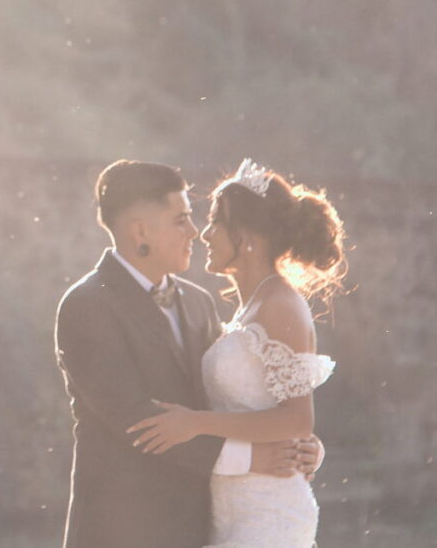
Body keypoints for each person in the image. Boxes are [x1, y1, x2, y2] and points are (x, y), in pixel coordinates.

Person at [54, 159, 323, 548]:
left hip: (203, 527)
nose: (195, 232)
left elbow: (238, 396)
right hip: (123, 529)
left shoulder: (198, 303)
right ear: (142, 230)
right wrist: (254, 460)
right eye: (181, 219)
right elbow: (136, 422)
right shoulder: (86, 305)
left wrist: (300, 446)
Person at [127, 158, 345, 546]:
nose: (205, 234)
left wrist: (195, 422)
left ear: (247, 236)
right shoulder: (247, 308)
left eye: (215, 222)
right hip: (229, 508)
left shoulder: (281, 304)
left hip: (269, 516)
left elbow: (296, 419)